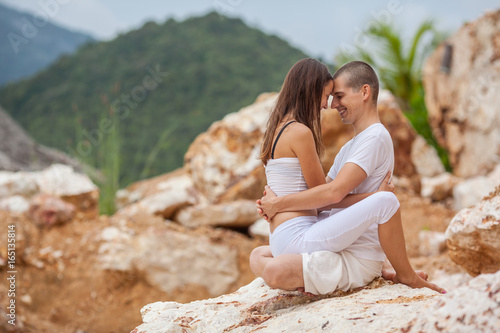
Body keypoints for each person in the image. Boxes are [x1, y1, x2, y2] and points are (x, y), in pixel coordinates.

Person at [251, 61, 445, 295]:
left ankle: (406, 275)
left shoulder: (374, 137)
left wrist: (279, 204)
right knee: (383, 200)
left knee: (387, 202)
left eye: (339, 96)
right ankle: (380, 269)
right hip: (328, 241)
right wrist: (279, 204)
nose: (331, 105)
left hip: (348, 249)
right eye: (329, 96)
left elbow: (329, 195)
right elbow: (327, 195)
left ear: (365, 92)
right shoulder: (347, 146)